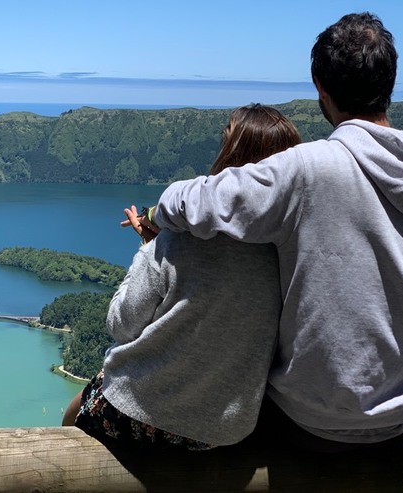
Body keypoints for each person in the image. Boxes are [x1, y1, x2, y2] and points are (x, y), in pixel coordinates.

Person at [150, 12, 403, 453]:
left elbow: (199, 202)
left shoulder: (308, 170)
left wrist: (157, 214)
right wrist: (401, 384)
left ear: (321, 88)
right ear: (390, 84)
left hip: (301, 425)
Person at [62, 104, 302, 450]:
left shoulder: (181, 237)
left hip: (141, 416)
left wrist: (150, 249)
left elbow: (122, 324)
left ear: (228, 154)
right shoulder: (288, 247)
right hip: (227, 430)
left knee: (72, 417)